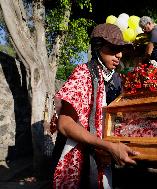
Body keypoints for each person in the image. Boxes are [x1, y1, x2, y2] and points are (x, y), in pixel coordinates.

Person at [52, 23, 139, 189]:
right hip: (78, 157)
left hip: (102, 157)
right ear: (98, 48)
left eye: (121, 49)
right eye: (113, 48)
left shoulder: (116, 81)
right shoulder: (83, 73)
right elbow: (65, 124)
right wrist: (107, 146)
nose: (119, 55)